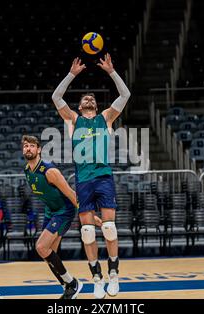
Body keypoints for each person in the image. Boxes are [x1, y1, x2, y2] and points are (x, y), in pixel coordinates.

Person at [52, 54, 130, 299]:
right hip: (83, 180)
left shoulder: (105, 118)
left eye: (92, 98)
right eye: (84, 97)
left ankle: (114, 274)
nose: (88, 98)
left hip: (103, 177)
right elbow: (56, 97)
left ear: (95, 106)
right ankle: (96, 278)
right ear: (79, 105)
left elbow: (125, 95)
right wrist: (72, 75)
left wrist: (111, 72)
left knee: (108, 227)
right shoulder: (73, 120)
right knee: (87, 231)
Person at [22, 135, 82, 299]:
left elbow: (70, 193)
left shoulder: (49, 171)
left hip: (64, 210)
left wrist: (86, 214)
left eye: (32, 146)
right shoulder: (27, 170)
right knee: (48, 254)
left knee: (41, 247)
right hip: (51, 210)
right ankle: (68, 288)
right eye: (26, 146)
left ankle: (73, 284)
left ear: (39, 149)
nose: (28, 148)